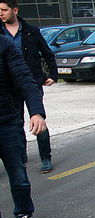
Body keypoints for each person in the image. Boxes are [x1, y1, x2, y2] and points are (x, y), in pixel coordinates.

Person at [0, 36, 47, 218]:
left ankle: (24, 215)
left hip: (7, 123)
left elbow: (24, 79)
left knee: (18, 177)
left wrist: (36, 112)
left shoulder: (4, 44)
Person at [0, 0, 57, 174]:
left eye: (4, 10)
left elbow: (47, 54)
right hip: (9, 88)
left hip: (31, 83)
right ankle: (19, 154)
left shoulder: (31, 31)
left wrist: (53, 76)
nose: (1, 13)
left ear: (14, 10)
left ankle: (45, 158)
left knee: (38, 118)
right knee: (15, 122)